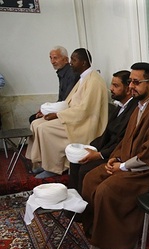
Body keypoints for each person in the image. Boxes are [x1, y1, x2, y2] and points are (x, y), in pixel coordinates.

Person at [81, 62, 149, 249]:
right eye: (130, 82)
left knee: (106, 190)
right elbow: (126, 140)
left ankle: (119, 240)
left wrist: (121, 167)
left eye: (136, 82)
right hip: (129, 164)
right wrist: (114, 159)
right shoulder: (140, 107)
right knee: (90, 179)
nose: (131, 86)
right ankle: (96, 230)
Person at [26, 48, 107, 179]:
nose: (71, 63)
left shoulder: (94, 81)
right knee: (36, 123)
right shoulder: (83, 78)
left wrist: (57, 115)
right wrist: (52, 111)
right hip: (73, 116)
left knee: (44, 129)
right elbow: (69, 102)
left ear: (83, 62)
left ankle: (53, 167)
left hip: (84, 123)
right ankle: (44, 162)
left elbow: (85, 110)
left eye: (74, 60)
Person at [68, 70, 139, 192]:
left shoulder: (134, 110)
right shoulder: (120, 106)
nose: (111, 88)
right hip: (106, 149)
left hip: (115, 155)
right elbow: (107, 133)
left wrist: (99, 155)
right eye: (112, 84)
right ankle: (74, 197)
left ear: (128, 89)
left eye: (115, 86)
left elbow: (123, 142)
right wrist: (91, 148)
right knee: (75, 160)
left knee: (85, 169)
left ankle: (85, 201)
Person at [29, 46, 80, 124]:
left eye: (55, 58)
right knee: (34, 118)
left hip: (67, 112)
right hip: (62, 108)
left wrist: (48, 111)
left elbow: (66, 101)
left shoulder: (71, 74)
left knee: (34, 120)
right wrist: (46, 110)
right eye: (51, 58)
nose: (52, 61)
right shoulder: (62, 73)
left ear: (66, 60)